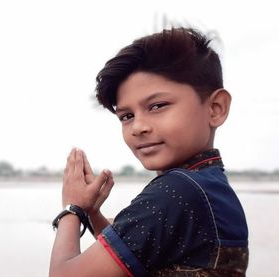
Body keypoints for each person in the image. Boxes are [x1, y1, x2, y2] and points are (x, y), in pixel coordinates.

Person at [49, 28, 248, 276]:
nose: (138, 127)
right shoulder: (209, 185)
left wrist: (71, 209)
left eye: (157, 106)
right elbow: (135, 250)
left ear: (216, 108)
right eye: (127, 116)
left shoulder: (177, 191)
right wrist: (91, 213)